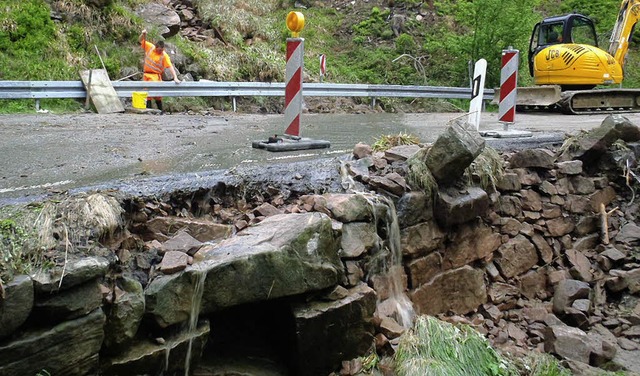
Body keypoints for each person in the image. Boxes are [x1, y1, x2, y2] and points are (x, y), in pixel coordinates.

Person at [139, 29, 181, 113]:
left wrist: (175, 77)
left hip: (155, 76)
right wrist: (143, 34)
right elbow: (140, 40)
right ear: (156, 47)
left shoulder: (164, 55)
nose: (160, 52)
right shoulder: (150, 47)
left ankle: (160, 110)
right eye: (159, 50)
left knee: (156, 94)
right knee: (147, 94)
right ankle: (149, 111)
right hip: (146, 74)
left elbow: (170, 67)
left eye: (161, 50)